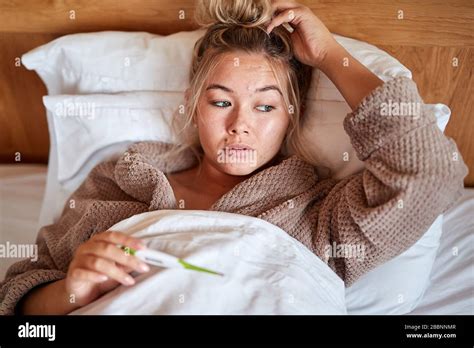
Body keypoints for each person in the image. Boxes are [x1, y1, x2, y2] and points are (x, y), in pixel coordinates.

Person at [0, 0, 467, 315]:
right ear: (193, 104)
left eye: (265, 105)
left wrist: (329, 56)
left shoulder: (317, 214)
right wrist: (71, 291)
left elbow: (428, 173)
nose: (240, 124)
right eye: (221, 101)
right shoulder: (119, 182)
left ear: (292, 115)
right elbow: (19, 307)